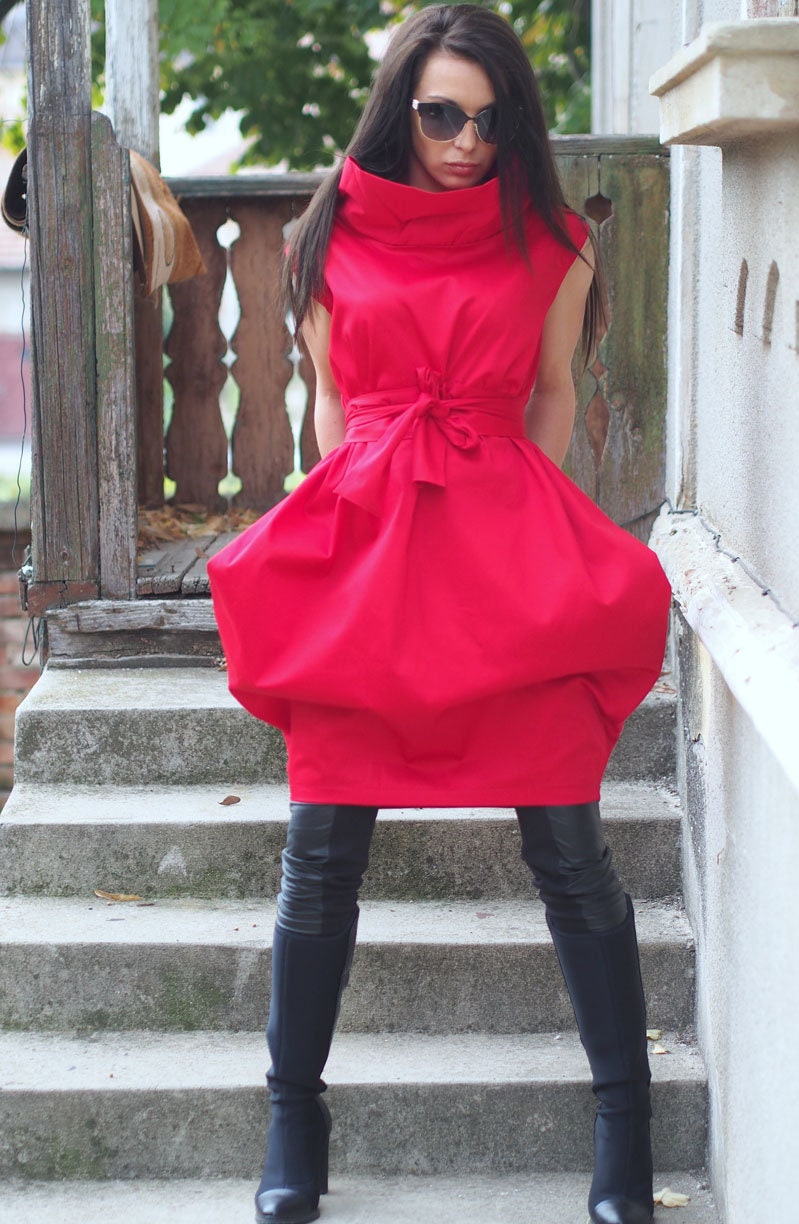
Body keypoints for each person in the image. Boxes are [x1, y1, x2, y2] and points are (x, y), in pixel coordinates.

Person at [208, 6, 672, 1224]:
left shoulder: (552, 241)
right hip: (368, 561)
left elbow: (553, 397)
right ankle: (293, 1124)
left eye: (490, 118)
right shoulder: (327, 233)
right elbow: (330, 409)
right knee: (322, 853)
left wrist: (512, 528)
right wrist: (354, 530)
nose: (466, 141)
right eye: (440, 114)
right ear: (398, 110)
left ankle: (624, 1131)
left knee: (568, 847)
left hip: (502, 559)